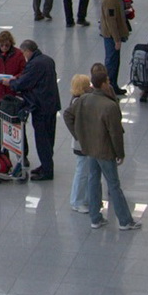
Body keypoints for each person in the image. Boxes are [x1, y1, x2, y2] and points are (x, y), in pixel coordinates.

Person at [65, 64, 142, 230]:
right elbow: (115, 134)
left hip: (90, 148)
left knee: (93, 180)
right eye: (107, 81)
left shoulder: (84, 99)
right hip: (105, 150)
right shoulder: (109, 106)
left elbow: (67, 115)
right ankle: (125, 221)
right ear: (103, 84)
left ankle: (95, 218)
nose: (109, 83)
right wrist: (120, 153)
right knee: (114, 185)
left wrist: (79, 135)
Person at [13, 39, 59, 181]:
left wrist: (12, 83)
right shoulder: (48, 60)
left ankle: (47, 171)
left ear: (28, 51)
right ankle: (46, 165)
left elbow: (23, 82)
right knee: (49, 137)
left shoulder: (34, 64)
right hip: (52, 105)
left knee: (42, 139)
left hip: (41, 107)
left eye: (24, 53)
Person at [98, 0, 133, 92]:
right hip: (111, 35)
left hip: (112, 33)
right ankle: (107, 87)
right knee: (111, 61)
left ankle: (113, 85)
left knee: (115, 61)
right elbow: (111, 21)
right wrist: (117, 39)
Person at [66, 72, 93, 212]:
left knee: (86, 171)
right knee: (82, 172)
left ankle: (86, 199)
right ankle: (77, 201)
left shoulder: (78, 99)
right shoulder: (78, 102)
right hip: (81, 143)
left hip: (83, 141)